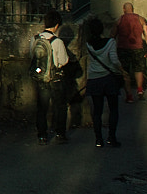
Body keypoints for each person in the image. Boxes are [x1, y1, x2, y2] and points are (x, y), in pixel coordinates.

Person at [80, 16, 124, 147]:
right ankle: (112, 137)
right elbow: (114, 60)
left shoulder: (88, 44)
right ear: (102, 29)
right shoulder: (110, 42)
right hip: (109, 78)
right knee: (113, 109)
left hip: (94, 78)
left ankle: (98, 139)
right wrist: (120, 70)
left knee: (97, 111)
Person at [30, 9, 73, 144]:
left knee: (42, 107)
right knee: (60, 106)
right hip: (55, 78)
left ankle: (42, 135)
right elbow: (64, 61)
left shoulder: (35, 39)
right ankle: (60, 133)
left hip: (40, 77)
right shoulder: (57, 41)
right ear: (56, 25)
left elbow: (32, 56)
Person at [113, 2, 147, 102]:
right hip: (138, 48)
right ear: (133, 9)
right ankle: (139, 90)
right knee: (138, 70)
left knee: (125, 72)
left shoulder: (119, 20)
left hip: (123, 48)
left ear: (124, 9)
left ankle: (129, 95)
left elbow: (112, 36)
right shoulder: (141, 19)